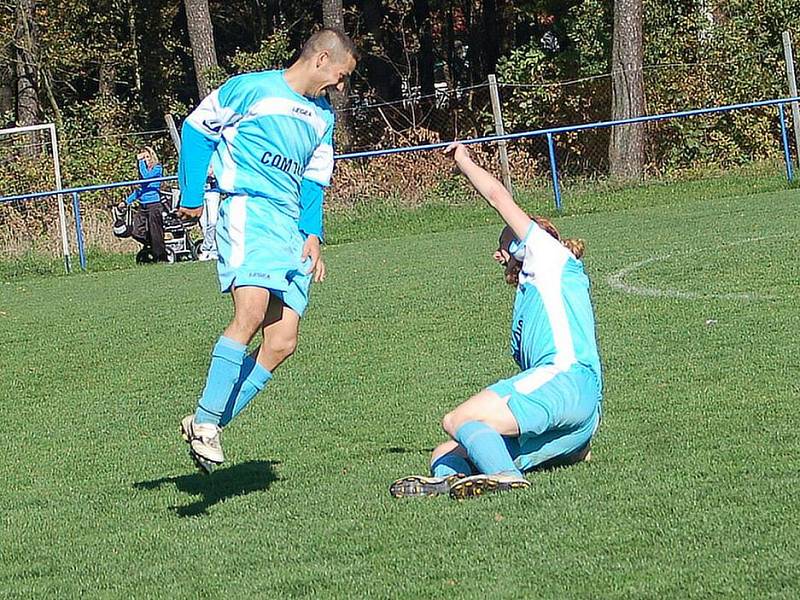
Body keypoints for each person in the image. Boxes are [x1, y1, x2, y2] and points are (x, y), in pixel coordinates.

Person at [176, 28, 359, 473]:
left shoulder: (321, 119)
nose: (340, 86)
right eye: (340, 75)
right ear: (320, 60)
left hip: (290, 230)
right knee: (251, 312)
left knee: (281, 342)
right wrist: (192, 191)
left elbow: (315, 179)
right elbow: (197, 129)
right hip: (249, 212)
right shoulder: (251, 89)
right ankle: (206, 426)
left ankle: (206, 421)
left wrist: (312, 235)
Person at [390, 142, 603, 500]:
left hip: (566, 383)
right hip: (578, 417)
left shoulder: (549, 255)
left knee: (457, 419)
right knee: (444, 453)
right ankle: (451, 480)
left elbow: (497, 197)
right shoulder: (534, 291)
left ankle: (505, 475)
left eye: (505, 244)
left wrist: (464, 162)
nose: (498, 254)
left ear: (525, 243)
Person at [119, 146, 166, 262]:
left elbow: (146, 177)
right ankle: (152, 245)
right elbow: (140, 190)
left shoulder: (157, 168)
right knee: (136, 231)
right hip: (143, 204)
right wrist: (126, 202)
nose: (145, 159)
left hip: (154, 204)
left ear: (152, 157)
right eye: (143, 157)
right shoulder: (143, 169)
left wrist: (140, 161)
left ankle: (160, 256)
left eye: (147, 157)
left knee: (155, 231)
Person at [198, 167, 220, 261]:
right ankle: (212, 250)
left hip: (213, 191)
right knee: (203, 223)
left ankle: (206, 248)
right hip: (200, 192)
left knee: (212, 221)